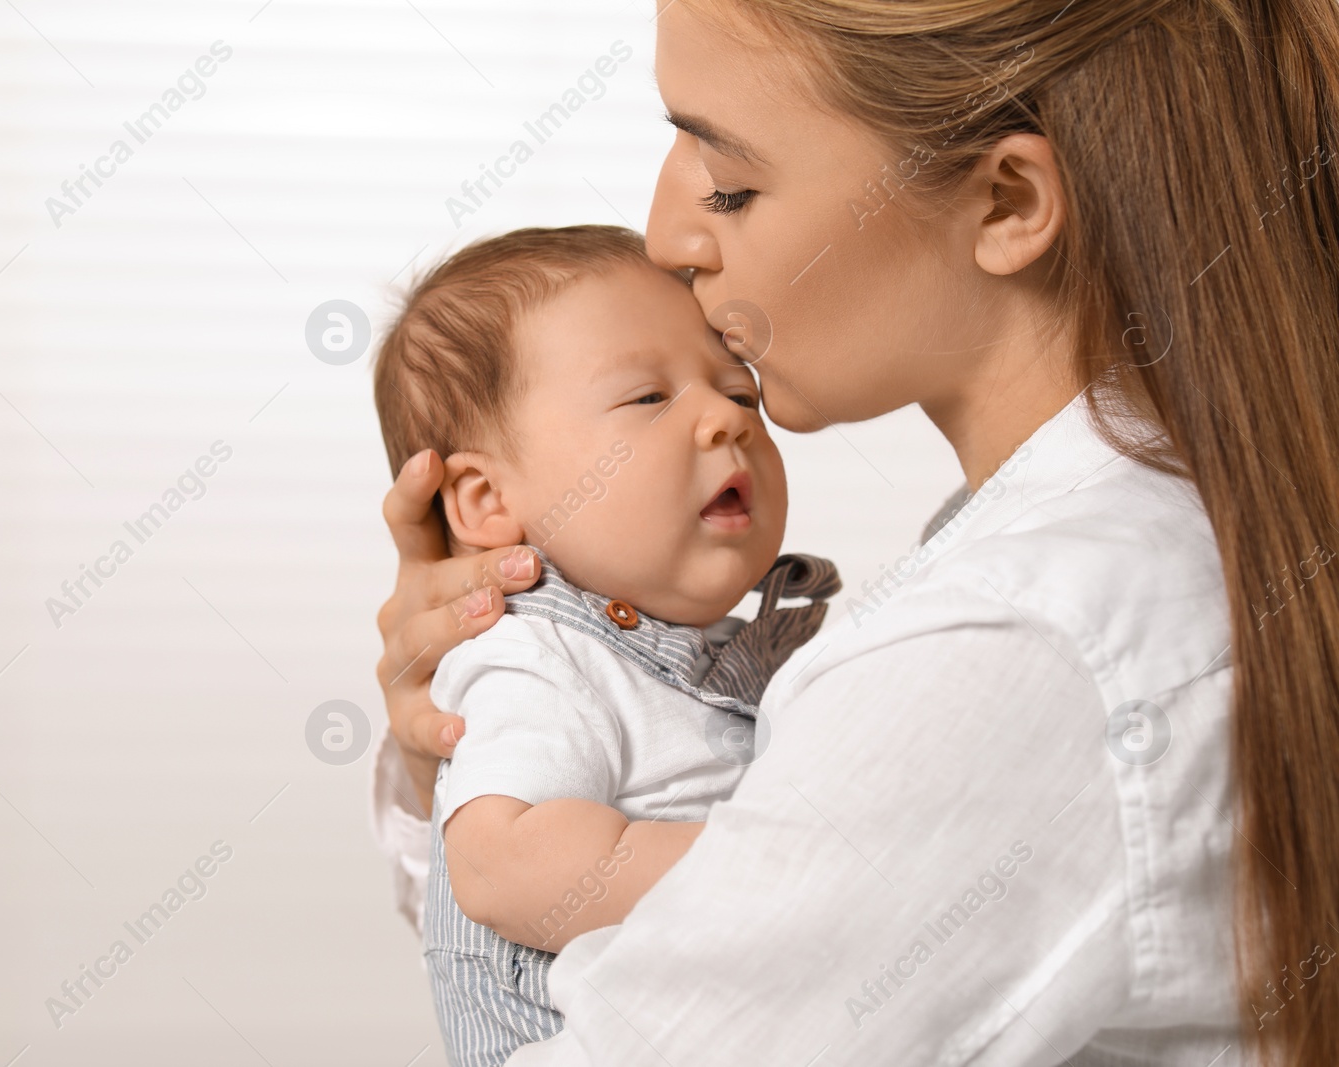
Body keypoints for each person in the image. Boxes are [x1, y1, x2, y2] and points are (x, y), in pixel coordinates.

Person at [370, 0, 1339, 1063]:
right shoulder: (1082, 555)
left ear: (1007, 201)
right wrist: (458, 753)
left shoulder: (1015, 646)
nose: (667, 237)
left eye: (731, 183)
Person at [371, 223, 841, 1066]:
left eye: (738, 391)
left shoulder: (744, 658)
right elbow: (501, 868)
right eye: (649, 398)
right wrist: (769, 864)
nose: (723, 420)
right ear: (484, 498)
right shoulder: (534, 658)